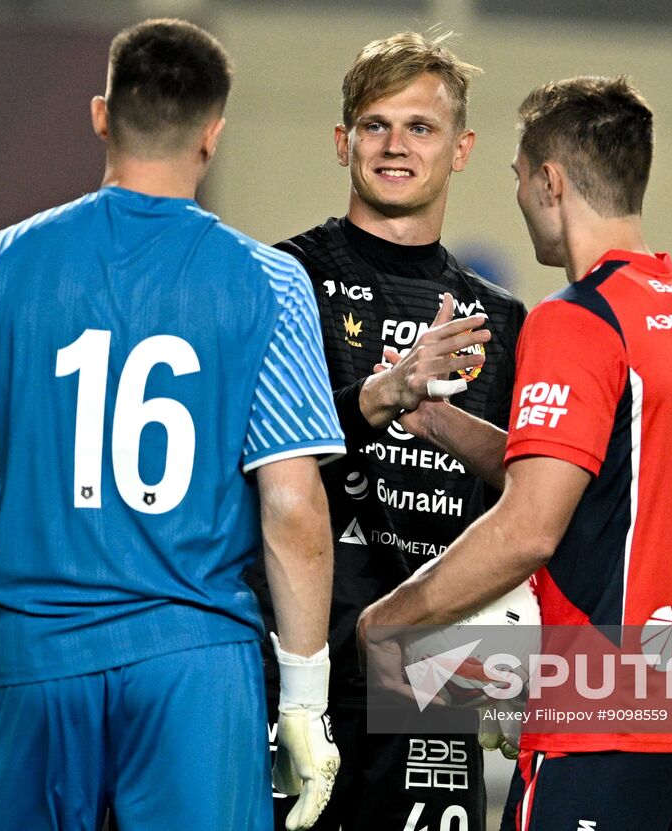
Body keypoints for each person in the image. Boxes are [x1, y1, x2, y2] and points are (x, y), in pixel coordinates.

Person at [0, 19, 345, 831]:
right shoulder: (270, 284)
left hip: (34, 659)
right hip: (195, 664)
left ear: (102, 115)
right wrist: (303, 697)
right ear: (213, 135)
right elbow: (292, 505)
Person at [358, 76, 672, 831]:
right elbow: (607, 483)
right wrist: (438, 422)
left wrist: (388, 621)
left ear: (550, 181)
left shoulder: (579, 318)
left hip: (603, 717)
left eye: (517, 176)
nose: (516, 194)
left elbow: (529, 529)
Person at [246, 31, 528, 831]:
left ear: (461, 149)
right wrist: (384, 393)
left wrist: (518, 652)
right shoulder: (280, 279)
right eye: (375, 125)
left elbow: (527, 503)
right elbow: (242, 458)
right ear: (344, 142)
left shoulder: (503, 320)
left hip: (429, 679)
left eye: (420, 127)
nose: (395, 145)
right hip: (289, 669)